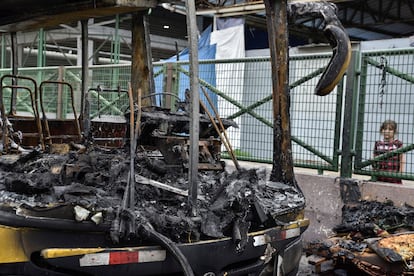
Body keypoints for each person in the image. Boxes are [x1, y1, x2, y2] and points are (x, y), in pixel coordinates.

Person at [373, 120, 405, 184]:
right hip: (380, 175)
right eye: (385, 129)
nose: (387, 131)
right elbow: (374, 157)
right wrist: (374, 171)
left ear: (394, 132)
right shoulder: (378, 143)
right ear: (381, 130)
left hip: (393, 176)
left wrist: (401, 173)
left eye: (390, 129)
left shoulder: (398, 144)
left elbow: (402, 159)